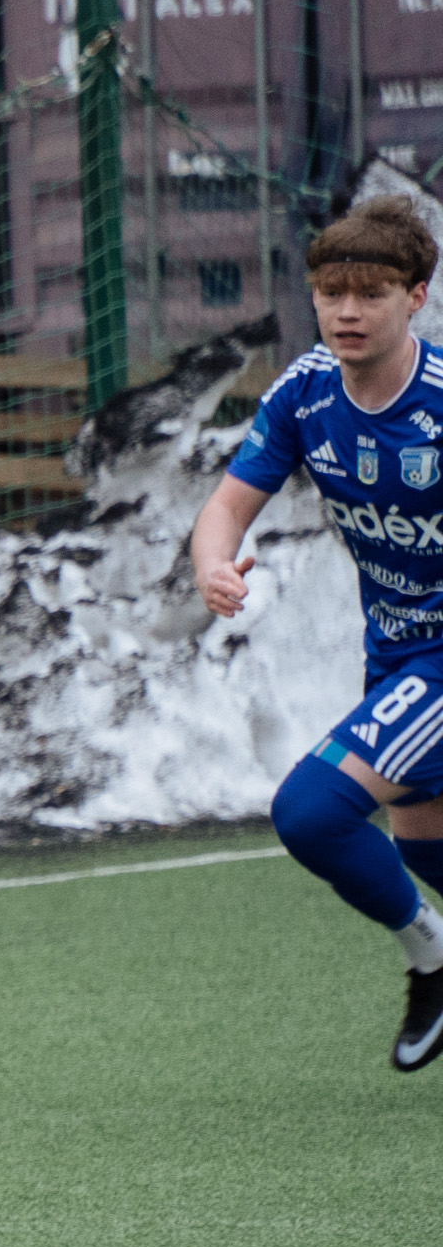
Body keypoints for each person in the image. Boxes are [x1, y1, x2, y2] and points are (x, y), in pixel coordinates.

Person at [187, 198, 443, 1072]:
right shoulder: (305, 392)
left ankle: (432, 957)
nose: (347, 311)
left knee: (309, 810)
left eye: (371, 293)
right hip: (396, 653)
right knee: (424, 847)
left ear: (416, 297)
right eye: (332, 293)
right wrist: (214, 567)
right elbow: (226, 507)